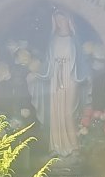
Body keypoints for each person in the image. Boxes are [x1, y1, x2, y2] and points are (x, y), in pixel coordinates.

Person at [27, 9, 90, 157]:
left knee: (68, 112)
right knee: (56, 113)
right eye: (57, 20)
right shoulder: (53, 39)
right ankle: (55, 147)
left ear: (69, 20)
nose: (60, 23)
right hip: (55, 77)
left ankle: (74, 147)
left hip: (71, 76)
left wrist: (84, 75)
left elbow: (81, 62)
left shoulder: (74, 40)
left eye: (63, 19)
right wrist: (39, 73)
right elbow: (48, 63)